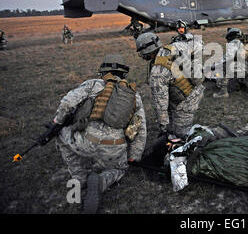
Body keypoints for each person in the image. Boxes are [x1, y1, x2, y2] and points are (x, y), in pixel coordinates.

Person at [51, 54, 147, 213]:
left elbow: (67, 102)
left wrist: (57, 121)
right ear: (123, 73)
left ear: (103, 71)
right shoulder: (133, 95)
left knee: (61, 135)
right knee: (120, 169)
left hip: (86, 142)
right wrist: (134, 155)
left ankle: (80, 177)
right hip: (115, 148)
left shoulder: (92, 85)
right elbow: (140, 127)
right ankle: (102, 181)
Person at [136, 31, 205, 139]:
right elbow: (198, 44)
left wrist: (163, 125)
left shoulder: (157, 73)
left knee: (182, 134)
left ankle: (211, 135)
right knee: (173, 122)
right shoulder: (175, 46)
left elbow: (160, 104)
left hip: (186, 102)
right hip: (196, 88)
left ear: (146, 52)